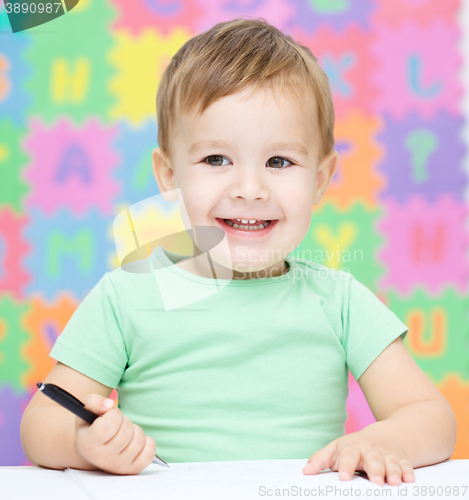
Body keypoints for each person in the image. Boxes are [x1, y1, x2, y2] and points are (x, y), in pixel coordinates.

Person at [20, 18, 457, 484]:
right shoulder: (127, 295)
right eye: (216, 159)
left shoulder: (340, 301)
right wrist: (85, 444)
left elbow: (431, 416)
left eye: (279, 161)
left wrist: (387, 440)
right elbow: (39, 425)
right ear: (169, 175)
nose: (249, 189)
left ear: (320, 180)